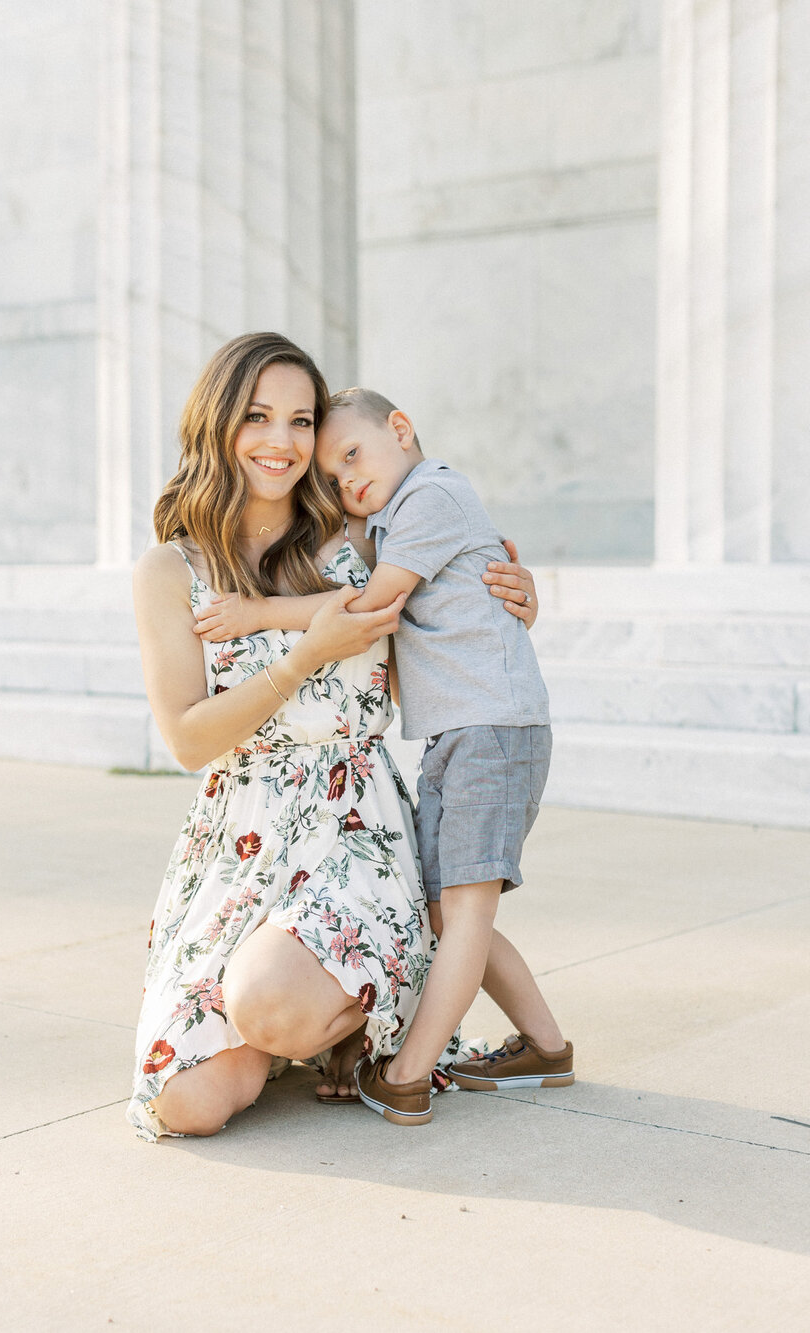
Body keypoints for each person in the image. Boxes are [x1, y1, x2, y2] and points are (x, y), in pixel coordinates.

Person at [126, 334, 540, 1139]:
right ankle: (325, 1029)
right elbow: (185, 738)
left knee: (265, 1002)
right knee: (187, 1108)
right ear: (217, 423)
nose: (281, 442)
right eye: (257, 417)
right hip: (237, 833)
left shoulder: (360, 536)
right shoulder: (170, 571)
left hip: (352, 826)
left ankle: (337, 1020)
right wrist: (308, 653)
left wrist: (513, 591)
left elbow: (459, 577)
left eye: (301, 419)